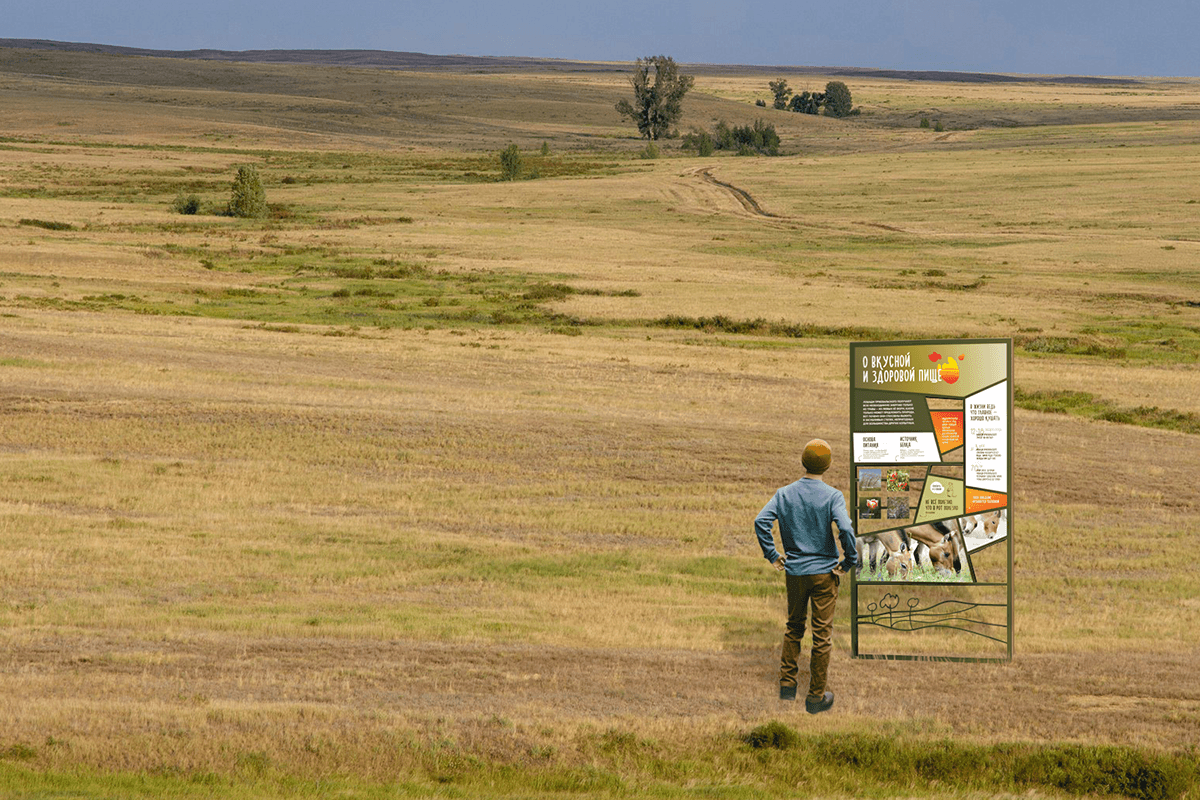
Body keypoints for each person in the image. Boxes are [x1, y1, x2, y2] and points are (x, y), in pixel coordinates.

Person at [754, 438, 857, 713]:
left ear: (803, 461)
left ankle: (787, 688)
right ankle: (815, 698)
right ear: (828, 464)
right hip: (825, 574)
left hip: (795, 572)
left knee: (794, 627)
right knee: (822, 636)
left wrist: (773, 554)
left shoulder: (784, 493)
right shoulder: (833, 495)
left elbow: (760, 521)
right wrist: (850, 560)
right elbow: (846, 530)